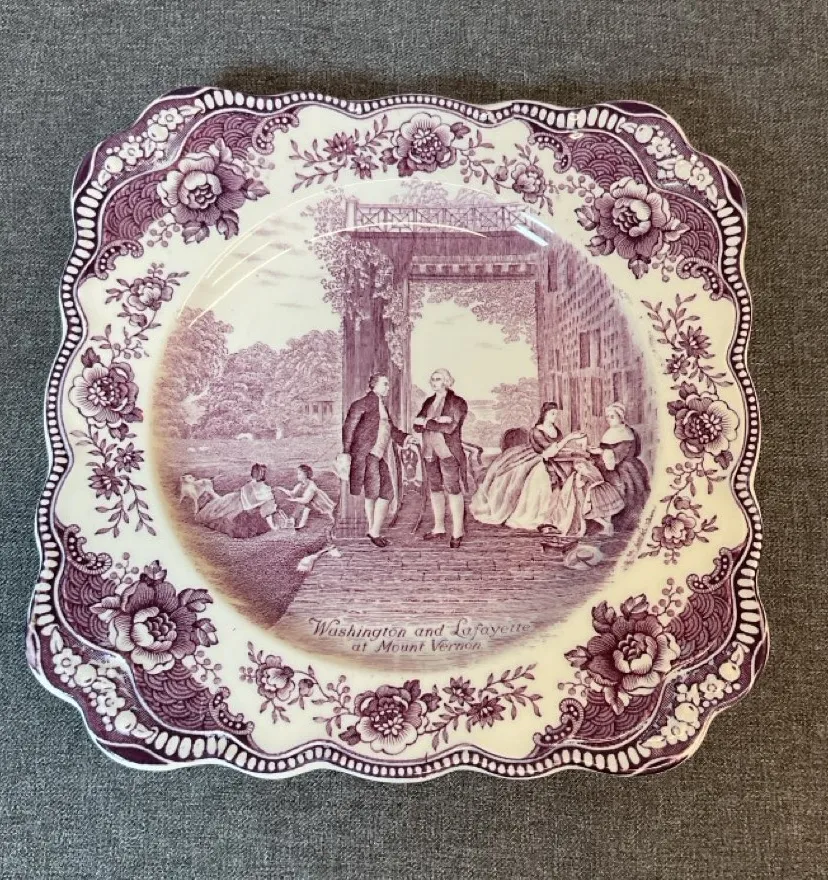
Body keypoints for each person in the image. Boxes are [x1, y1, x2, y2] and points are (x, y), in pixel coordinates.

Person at [470, 401, 622, 536]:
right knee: (545, 479)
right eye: (552, 414)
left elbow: (559, 448)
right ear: (545, 414)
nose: (555, 417)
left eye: (556, 414)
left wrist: (578, 443)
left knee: (577, 471)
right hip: (542, 459)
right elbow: (548, 453)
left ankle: (577, 513)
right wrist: (569, 438)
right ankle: (550, 517)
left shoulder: (555, 429)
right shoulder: (536, 431)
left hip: (557, 459)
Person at [341, 373, 413, 547]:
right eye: (385, 384)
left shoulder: (381, 405)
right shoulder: (361, 404)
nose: (388, 387)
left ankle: (373, 530)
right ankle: (374, 531)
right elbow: (348, 429)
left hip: (376, 456)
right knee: (380, 493)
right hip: (366, 455)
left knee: (377, 493)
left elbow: (390, 429)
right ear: (374, 385)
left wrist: (406, 438)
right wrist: (346, 452)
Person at [413, 368, 468, 548]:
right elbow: (416, 425)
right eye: (432, 379)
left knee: (453, 489)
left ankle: (458, 531)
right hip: (429, 452)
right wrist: (437, 421)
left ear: (446, 381)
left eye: (437, 379)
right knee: (435, 488)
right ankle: (439, 528)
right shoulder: (429, 401)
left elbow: (450, 428)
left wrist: (428, 422)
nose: (433, 382)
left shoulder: (457, 402)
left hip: (448, 452)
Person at [593, 402, 650, 529]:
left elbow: (619, 454)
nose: (609, 419)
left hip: (624, 468)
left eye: (612, 416)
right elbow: (605, 451)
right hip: (608, 464)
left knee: (625, 492)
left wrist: (602, 452)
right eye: (607, 417)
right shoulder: (610, 432)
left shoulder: (627, 432)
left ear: (621, 417)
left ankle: (622, 523)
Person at [195, 463, 285, 537]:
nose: (261, 474)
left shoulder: (265, 489)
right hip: (237, 501)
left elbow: (264, 506)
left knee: (221, 511)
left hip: (241, 504)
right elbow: (247, 496)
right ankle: (208, 500)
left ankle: (209, 498)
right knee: (219, 509)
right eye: (259, 472)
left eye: (262, 472)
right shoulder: (256, 486)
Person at [277, 464, 336, 529]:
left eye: (299, 474)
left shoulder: (311, 486)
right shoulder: (300, 485)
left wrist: (295, 500)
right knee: (302, 505)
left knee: (304, 506)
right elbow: (292, 493)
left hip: (320, 506)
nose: (297, 476)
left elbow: (305, 500)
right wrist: (282, 490)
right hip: (311, 505)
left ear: (305, 475)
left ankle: (299, 524)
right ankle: (293, 521)